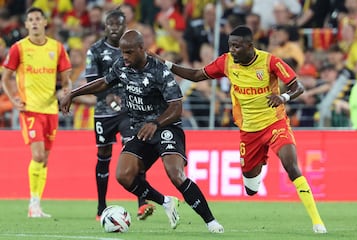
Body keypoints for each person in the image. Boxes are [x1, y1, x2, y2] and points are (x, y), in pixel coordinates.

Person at [155, 25, 327, 234]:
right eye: (230, 46)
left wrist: (283, 97)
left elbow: (297, 86)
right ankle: (259, 163)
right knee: (251, 189)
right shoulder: (226, 62)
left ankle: (318, 222)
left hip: (275, 123)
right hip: (249, 132)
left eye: (236, 46)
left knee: (291, 165)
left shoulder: (270, 61)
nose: (232, 50)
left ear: (249, 46)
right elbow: (197, 75)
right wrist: (166, 64)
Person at [60, 29, 224, 233]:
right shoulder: (121, 65)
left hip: (166, 128)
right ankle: (165, 202)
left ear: (141, 49)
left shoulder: (160, 71)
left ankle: (211, 222)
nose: (124, 57)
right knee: (124, 176)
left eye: (129, 52)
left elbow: (176, 107)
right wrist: (73, 94)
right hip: (141, 131)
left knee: (175, 174)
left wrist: (156, 122)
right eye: (122, 52)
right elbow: (103, 82)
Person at [84, 8, 156, 221]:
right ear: (105, 26)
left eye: (118, 24)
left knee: (133, 153)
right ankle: (100, 206)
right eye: (111, 24)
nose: (114, 28)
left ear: (126, 26)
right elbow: (91, 81)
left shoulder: (132, 49)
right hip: (104, 114)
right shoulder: (95, 50)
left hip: (129, 111)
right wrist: (106, 96)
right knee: (104, 156)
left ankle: (142, 203)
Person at [1, 7, 72, 217]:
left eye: (37, 19)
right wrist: (14, 99)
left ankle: (36, 205)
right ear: (26, 25)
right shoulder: (18, 48)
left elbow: (66, 76)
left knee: (45, 159)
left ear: (44, 22)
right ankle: (33, 203)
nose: (33, 22)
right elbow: (5, 78)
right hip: (30, 109)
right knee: (38, 155)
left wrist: (66, 88)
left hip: (50, 109)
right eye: (30, 19)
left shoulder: (57, 48)